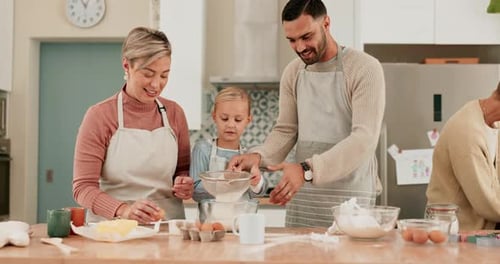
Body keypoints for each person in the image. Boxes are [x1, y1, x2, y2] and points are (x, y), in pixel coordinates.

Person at [228, 0, 385, 227]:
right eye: (292, 40)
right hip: (305, 198)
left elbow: (364, 139)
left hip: (350, 203)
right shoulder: (293, 72)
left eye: (306, 37)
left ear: (327, 23)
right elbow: (286, 130)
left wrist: (306, 171)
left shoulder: (364, 68)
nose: (300, 47)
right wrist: (258, 157)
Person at [73, 27, 193, 224]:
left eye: (164, 75)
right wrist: (124, 210)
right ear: (127, 66)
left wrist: (184, 184)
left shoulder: (174, 113)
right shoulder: (100, 116)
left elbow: (182, 171)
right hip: (113, 232)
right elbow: (83, 188)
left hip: (166, 229)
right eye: (148, 73)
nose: (156, 84)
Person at [426, 81, 500, 231]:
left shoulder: (492, 123)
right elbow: (486, 203)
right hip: (455, 232)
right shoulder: (467, 131)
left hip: (480, 233)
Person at [190, 87, 267, 202]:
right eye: (224, 118)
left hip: (242, 218)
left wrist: (257, 182)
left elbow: (258, 193)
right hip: (211, 219)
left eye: (238, 120)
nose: (231, 124)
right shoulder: (202, 149)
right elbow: (195, 191)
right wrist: (224, 180)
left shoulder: (250, 155)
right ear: (214, 117)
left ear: (248, 120)